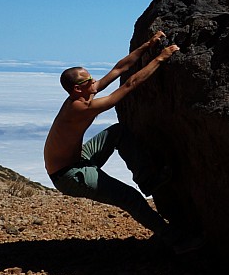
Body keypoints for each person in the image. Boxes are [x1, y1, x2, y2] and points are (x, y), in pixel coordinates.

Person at [44, 31, 196, 251]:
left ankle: (147, 179)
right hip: (69, 175)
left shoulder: (83, 94)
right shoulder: (80, 107)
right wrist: (160, 58)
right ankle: (176, 240)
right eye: (88, 80)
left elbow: (119, 69)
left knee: (118, 132)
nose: (94, 81)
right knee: (129, 198)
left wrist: (147, 45)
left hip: (78, 158)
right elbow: (129, 85)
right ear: (77, 88)